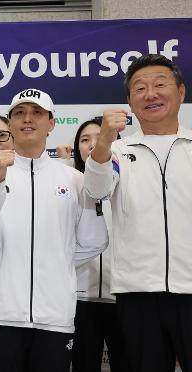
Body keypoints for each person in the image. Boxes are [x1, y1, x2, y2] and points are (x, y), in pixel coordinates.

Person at [0, 88, 108, 372]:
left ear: (52, 123)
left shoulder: (74, 179)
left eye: (37, 113)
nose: (27, 119)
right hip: (0, 315)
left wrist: (56, 261)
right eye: (19, 113)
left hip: (55, 317)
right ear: (9, 124)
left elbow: (95, 240)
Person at [84, 53, 192, 372]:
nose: (151, 93)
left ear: (181, 92)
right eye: (140, 88)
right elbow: (96, 189)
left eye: (160, 84)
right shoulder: (117, 151)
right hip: (138, 292)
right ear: (130, 102)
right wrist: (104, 139)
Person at [68, 118, 128, 372]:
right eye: (85, 139)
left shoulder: (128, 185)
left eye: (100, 136)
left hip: (124, 296)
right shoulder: (68, 185)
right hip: (80, 298)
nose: (93, 144)